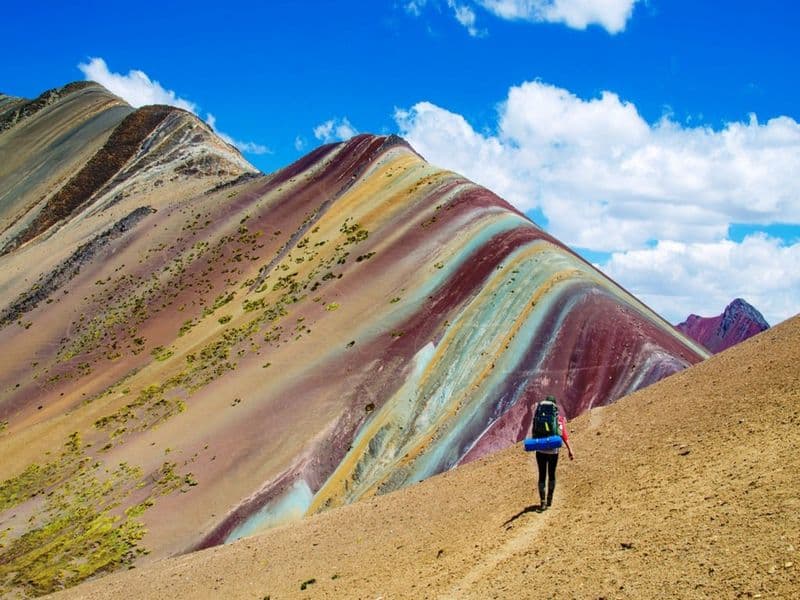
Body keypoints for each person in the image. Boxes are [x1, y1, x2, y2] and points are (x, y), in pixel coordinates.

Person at [532, 395, 574, 510]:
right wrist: (570, 450)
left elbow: (534, 431)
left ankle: (542, 502)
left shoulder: (539, 417)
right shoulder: (558, 419)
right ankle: (550, 499)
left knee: (542, 475)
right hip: (553, 451)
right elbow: (563, 435)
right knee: (551, 474)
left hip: (540, 449)